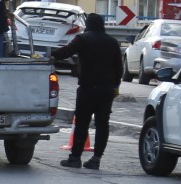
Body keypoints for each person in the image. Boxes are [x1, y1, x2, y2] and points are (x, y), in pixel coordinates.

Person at [51, 12, 125, 170]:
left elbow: (67, 51)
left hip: (88, 88)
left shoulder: (83, 39)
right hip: (107, 90)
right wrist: (115, 86)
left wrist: (50, 55)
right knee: (102, 125)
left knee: (82, 123)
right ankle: (96, 159)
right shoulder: (112, 42)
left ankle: (75, 158)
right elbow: (119, 68)